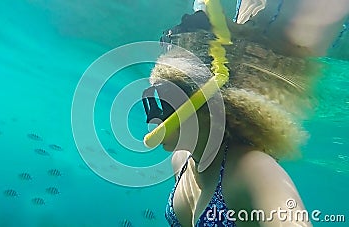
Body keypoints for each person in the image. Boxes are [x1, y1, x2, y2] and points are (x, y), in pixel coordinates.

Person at [142, 0, 349, 226]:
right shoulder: (180, 161)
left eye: (164, 101)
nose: (152, 115)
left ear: (204, 107)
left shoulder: (253, 170)